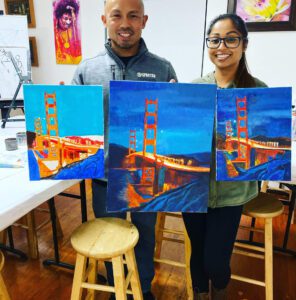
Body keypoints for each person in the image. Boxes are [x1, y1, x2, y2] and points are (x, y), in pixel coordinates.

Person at [72, 0, 177, 299]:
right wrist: (65, 103)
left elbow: (173, 126)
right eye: (117, 15)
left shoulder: (163, 68)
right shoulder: (87, 69)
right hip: (105, 177)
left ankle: (141, 289)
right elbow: (77, 128)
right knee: (109, 236)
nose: (125, 23)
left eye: (133, 16)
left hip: (147, 175)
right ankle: (113, 286)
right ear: (104, 19)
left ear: (144, 20)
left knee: (144, 238)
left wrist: (177, 102)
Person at [182, 13, 267, 300]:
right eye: (215, 39)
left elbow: (265, 147)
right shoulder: (193, 88)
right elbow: (178, 140)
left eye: (231, 39)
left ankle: (219, 292)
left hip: (232, 192)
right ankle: (199, 294)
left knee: (216, 259)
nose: (222, 46)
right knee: (197, 250)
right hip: (193, 190)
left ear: (244, 44)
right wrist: (171, 102)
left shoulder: (259, 92)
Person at [53, 0, 82, 64]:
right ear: (59, 17)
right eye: (65, 18)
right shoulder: (55, 33)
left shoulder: (72, 32)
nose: (68, 22)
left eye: (70, 19)